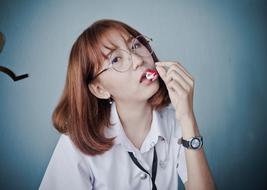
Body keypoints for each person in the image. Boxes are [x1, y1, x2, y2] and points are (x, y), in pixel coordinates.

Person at [39, 19, 216, 190]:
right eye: (115, 59)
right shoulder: (77, 143)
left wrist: (187, 117)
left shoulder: (174, 122)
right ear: (100, 89)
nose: (138, 60)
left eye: (136, 45)